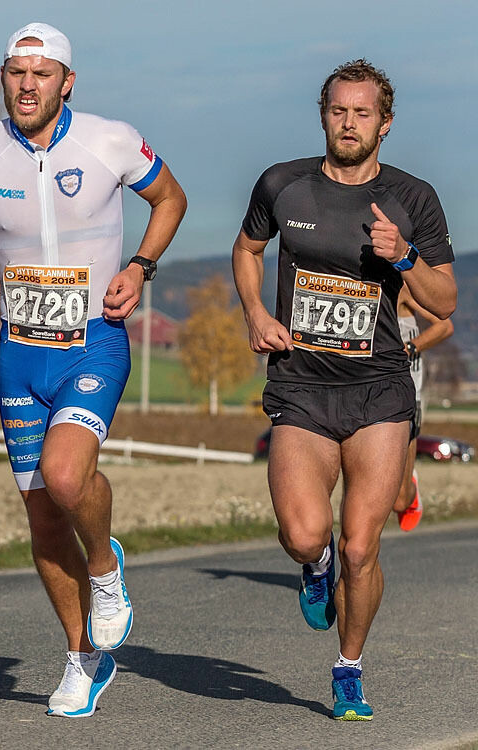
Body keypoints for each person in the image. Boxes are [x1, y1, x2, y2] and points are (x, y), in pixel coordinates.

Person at [0, 22, 187, 717]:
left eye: (41, 74)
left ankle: (106, 568)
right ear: (3, 78)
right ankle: (83, 659)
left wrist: (140, 267)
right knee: (44, 522)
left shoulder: (109, 139)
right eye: (16, 72)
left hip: (92, 343)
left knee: (70, 475)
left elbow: (171, 199)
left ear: (66, 82)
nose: (27, 84)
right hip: (20, 353)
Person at [232, 59, 456, 721]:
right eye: (338, 110)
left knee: (365, 545)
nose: (349, 123)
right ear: (324, 114)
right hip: (301, 387)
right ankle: (315, 563)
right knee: (305, 536)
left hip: (379, 390)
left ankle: (348, 668)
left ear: (385, 123)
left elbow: (444, 301)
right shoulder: (283, 185)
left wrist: (405, 257)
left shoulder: (413, 200)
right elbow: (247, 251)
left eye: (362, 113)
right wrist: (255, 312)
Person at [392, 285, 453, 531]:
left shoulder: (402, 286)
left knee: (399, 501)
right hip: (371, 381)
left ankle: (410, 488)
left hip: (408, 382)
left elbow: (444, 326)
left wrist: (408, 348)